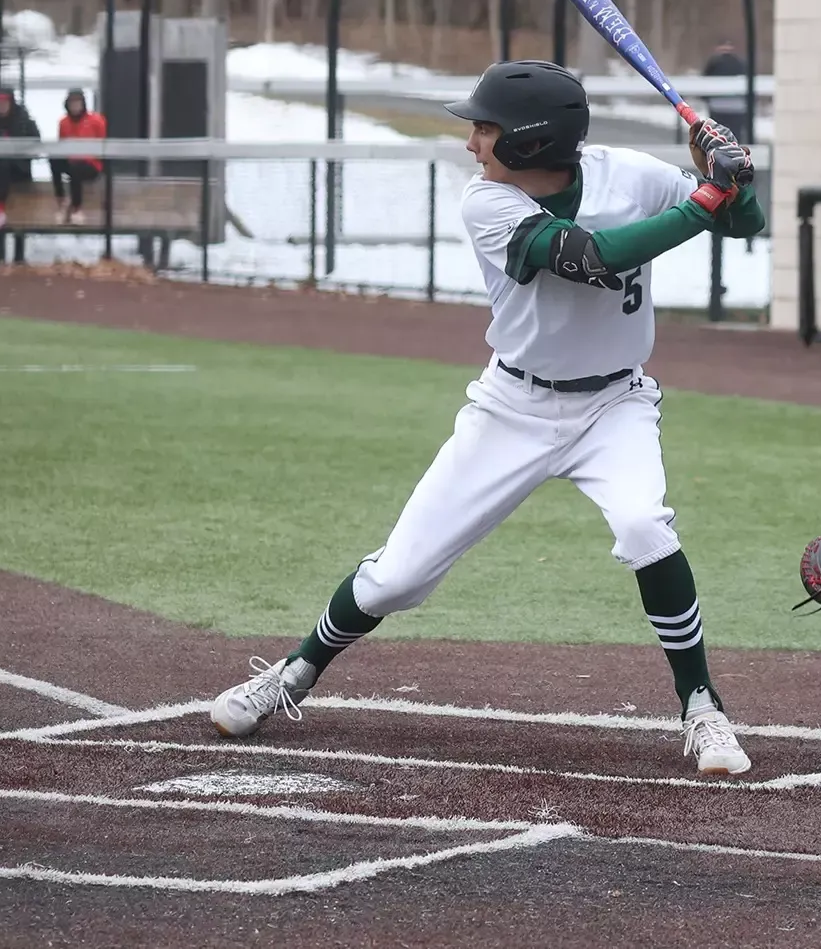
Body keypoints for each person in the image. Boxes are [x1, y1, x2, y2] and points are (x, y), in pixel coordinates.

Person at [209, 60, 766, 776]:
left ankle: (702, 705)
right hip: (512, 407)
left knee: (643, 526)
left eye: (485, 128)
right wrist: (706, 197)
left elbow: (744, 225)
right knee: (396, 578)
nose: (472, 142)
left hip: (614, 404)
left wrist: (734, 177)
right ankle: (295, 671)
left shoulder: (630, 174)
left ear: (532, 141)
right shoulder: (487, 202)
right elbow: (587, 258)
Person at [0, 89, 40, 230]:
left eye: (5, 102)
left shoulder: (24, 120)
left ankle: (0, 209)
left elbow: (36, 143)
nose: (2, 106)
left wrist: (16, 149)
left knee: (3, 163)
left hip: (18, 166)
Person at [51, 88, 106, 226]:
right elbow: (61, 146)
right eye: (72, 103)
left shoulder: (96, 120)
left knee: (76, 168)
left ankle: (77, 208)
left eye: (78, 103)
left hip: (92, 164)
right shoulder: (63, 122)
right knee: (54, 159)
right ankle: (61, 200)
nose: (75, 106)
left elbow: (103, 145)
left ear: (83, 104)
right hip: (71, 162)